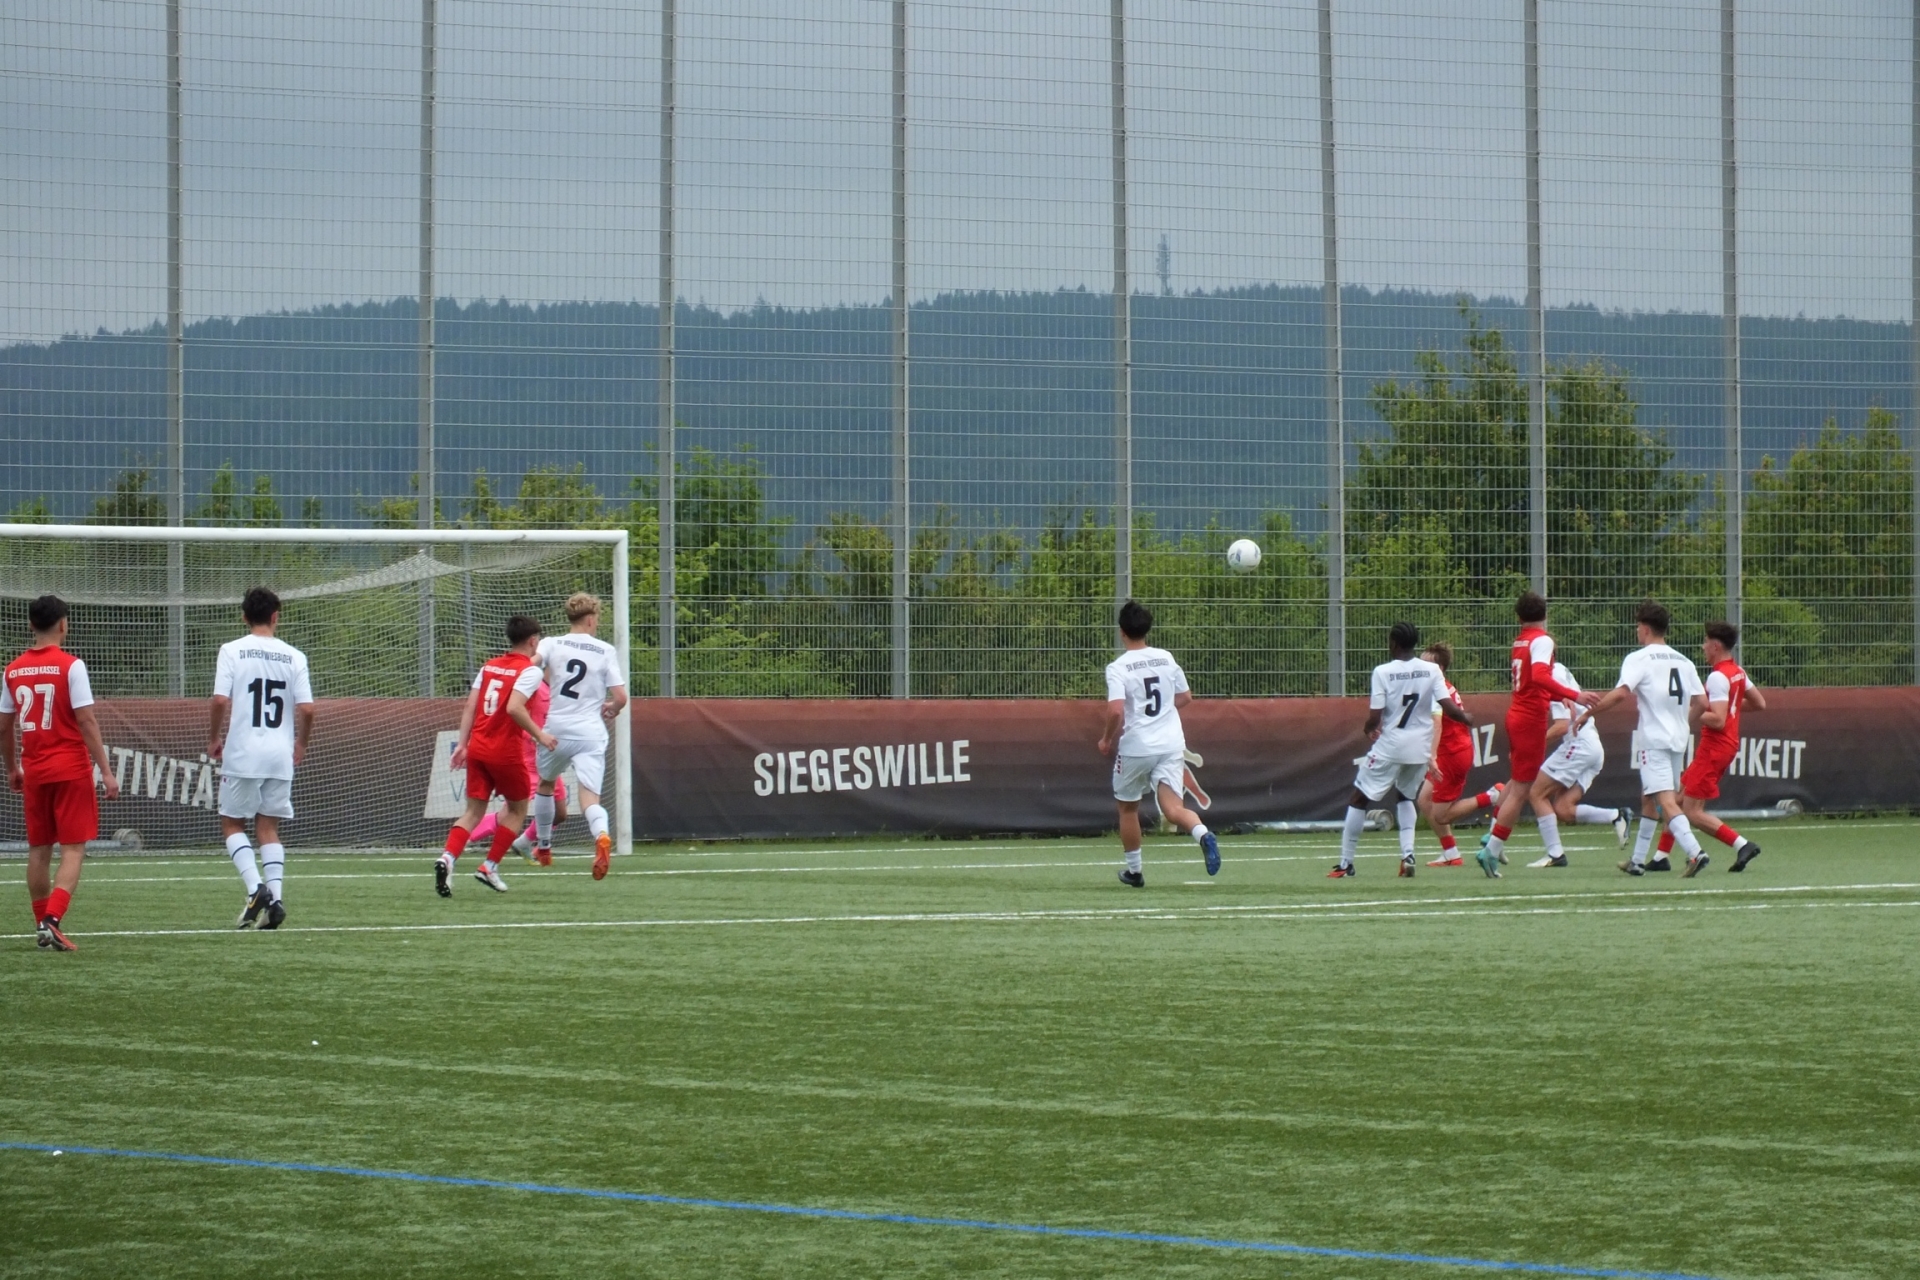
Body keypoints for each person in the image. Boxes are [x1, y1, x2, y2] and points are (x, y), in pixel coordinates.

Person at [0, 595, 119, 950]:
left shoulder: (12, 670)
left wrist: (12, 768)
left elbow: (4, 727)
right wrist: (106, 771)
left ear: (30, 625)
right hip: (70, 770)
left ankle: (41, 923)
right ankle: (52, 920)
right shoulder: (71, 666)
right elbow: (86, 721)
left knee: (38, 850)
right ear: (64, 624)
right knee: (73, 849)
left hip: (35, 772)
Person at [1575, 602, 1710, 877]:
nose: (1637, 630)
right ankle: (1637, 861)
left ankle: (1695, 853)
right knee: (1649, 797)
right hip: (1677, 740)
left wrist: (1588, 713)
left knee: (1666, 800)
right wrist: (1682, 722)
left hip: (1654, 740)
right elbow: (1702, 702)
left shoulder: (1639, 658)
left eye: (1638, 626)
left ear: (1645, 629)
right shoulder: (1683, 661)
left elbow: (1620, 693)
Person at [209, 587, 316, 929]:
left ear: (244, 617)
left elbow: (220, 700)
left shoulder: (232, 650)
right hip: (279, 755)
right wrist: (301, 743)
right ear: (275, 616)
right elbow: (307, 709)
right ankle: (276, 902)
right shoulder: (294, 656)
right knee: (268, 826)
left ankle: (257, 889)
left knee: (232, 823)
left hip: (244, 752)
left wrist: (214, 737)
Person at [1333, 622, 1470, 879]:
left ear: (1393, 643)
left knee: (1359, 798)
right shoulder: (1431, 670)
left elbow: (1375, 716)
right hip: (1420, 748)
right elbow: (1448, 706)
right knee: (1406, 797)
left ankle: (1345, 864)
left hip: (1392, 745)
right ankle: (1408, 856)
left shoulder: (1382, 671)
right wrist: (1465, 717)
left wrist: (1368, 729)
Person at [1098, 600, 1219, 887]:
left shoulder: (1118, 667)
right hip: (1170, 744)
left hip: (1137, 747)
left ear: (1121, 631)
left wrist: (1106, 739)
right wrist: (1164, 711)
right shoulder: (1165, 657)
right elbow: (1186, 697)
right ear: (1147, 629)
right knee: (1173, 809)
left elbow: (1115, 710)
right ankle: (1202, 833)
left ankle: (1135, 872)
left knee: (1128, 808)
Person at [1478, 592, 1599, 877]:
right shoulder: (1542, 640)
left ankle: (1492, 843)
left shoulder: (1520, 640)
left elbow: (1533, 682)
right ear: (1545, 614)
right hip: (1530, 720)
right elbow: (1541, 676)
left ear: (1518, 617)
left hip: (1518, 714)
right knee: (1522, 790)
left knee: (1518, 785)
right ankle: (1491, 848)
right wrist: (1575, 694)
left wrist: (1559, 697)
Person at [435, 616, 555, 897]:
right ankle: (489, 866)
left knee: (472, 812)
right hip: (505, 752)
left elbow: (470, 706)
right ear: (533, 641)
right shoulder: (529, 671)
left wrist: (462, 744)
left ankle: (447, 858)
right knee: (517, 810)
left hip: (477, 747)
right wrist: (540, 735)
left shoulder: (488, 666)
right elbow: (514, 708)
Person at [531, 593, 627, 880]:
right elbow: (621, 697)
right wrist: (612, 708)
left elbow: (532, 664)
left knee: (546, 784)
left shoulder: (551, 643)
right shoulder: (604, 650)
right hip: (590, 732)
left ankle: (544, 847)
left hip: (557, 729)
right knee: (590, 798)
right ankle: (601, 835)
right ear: (591, 619)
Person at [1676, 619, 1768, 872]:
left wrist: (1687, 712)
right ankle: (1661, 856)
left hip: (1714, 747)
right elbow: (1759, 703)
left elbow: (1717, 720)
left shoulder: (1717, 677)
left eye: (1706, 641)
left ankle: (1742, 844)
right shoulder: (1737, 671)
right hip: (1723, 745)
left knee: (1692, 811)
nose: (1703, 646)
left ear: (1716, 646)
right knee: (1678, 798)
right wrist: (1731, 709)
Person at [1523, 655, 1631, 867]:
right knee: (1563, 809)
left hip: (1579, 744)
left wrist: (1529, 747)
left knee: (1536, 793)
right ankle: (1616, 815)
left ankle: (1555, 854)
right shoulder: (1559, 668)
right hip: (1592, 745)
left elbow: (1561, 726)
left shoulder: (1550, 676)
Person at [466, 674, 567, 866]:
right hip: (529, 755)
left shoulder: (559, 688)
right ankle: (464, 834)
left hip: (547, 755)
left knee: (559, 813)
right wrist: (531, 735)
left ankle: (523, 843)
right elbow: (514, 710)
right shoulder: (533, 684)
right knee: (512, 811)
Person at [1417, 642, 1503, 867]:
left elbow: (1437, 725)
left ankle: (1492, 796)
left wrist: (1432, 756)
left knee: (1441, 815)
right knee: (1424, 800)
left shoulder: (1436, 690)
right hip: (1453, 750)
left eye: (1424, 665)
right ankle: (1451, 852)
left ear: (1439, 669)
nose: (1419, 668)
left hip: (1451, 755)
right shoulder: (1438, 686)